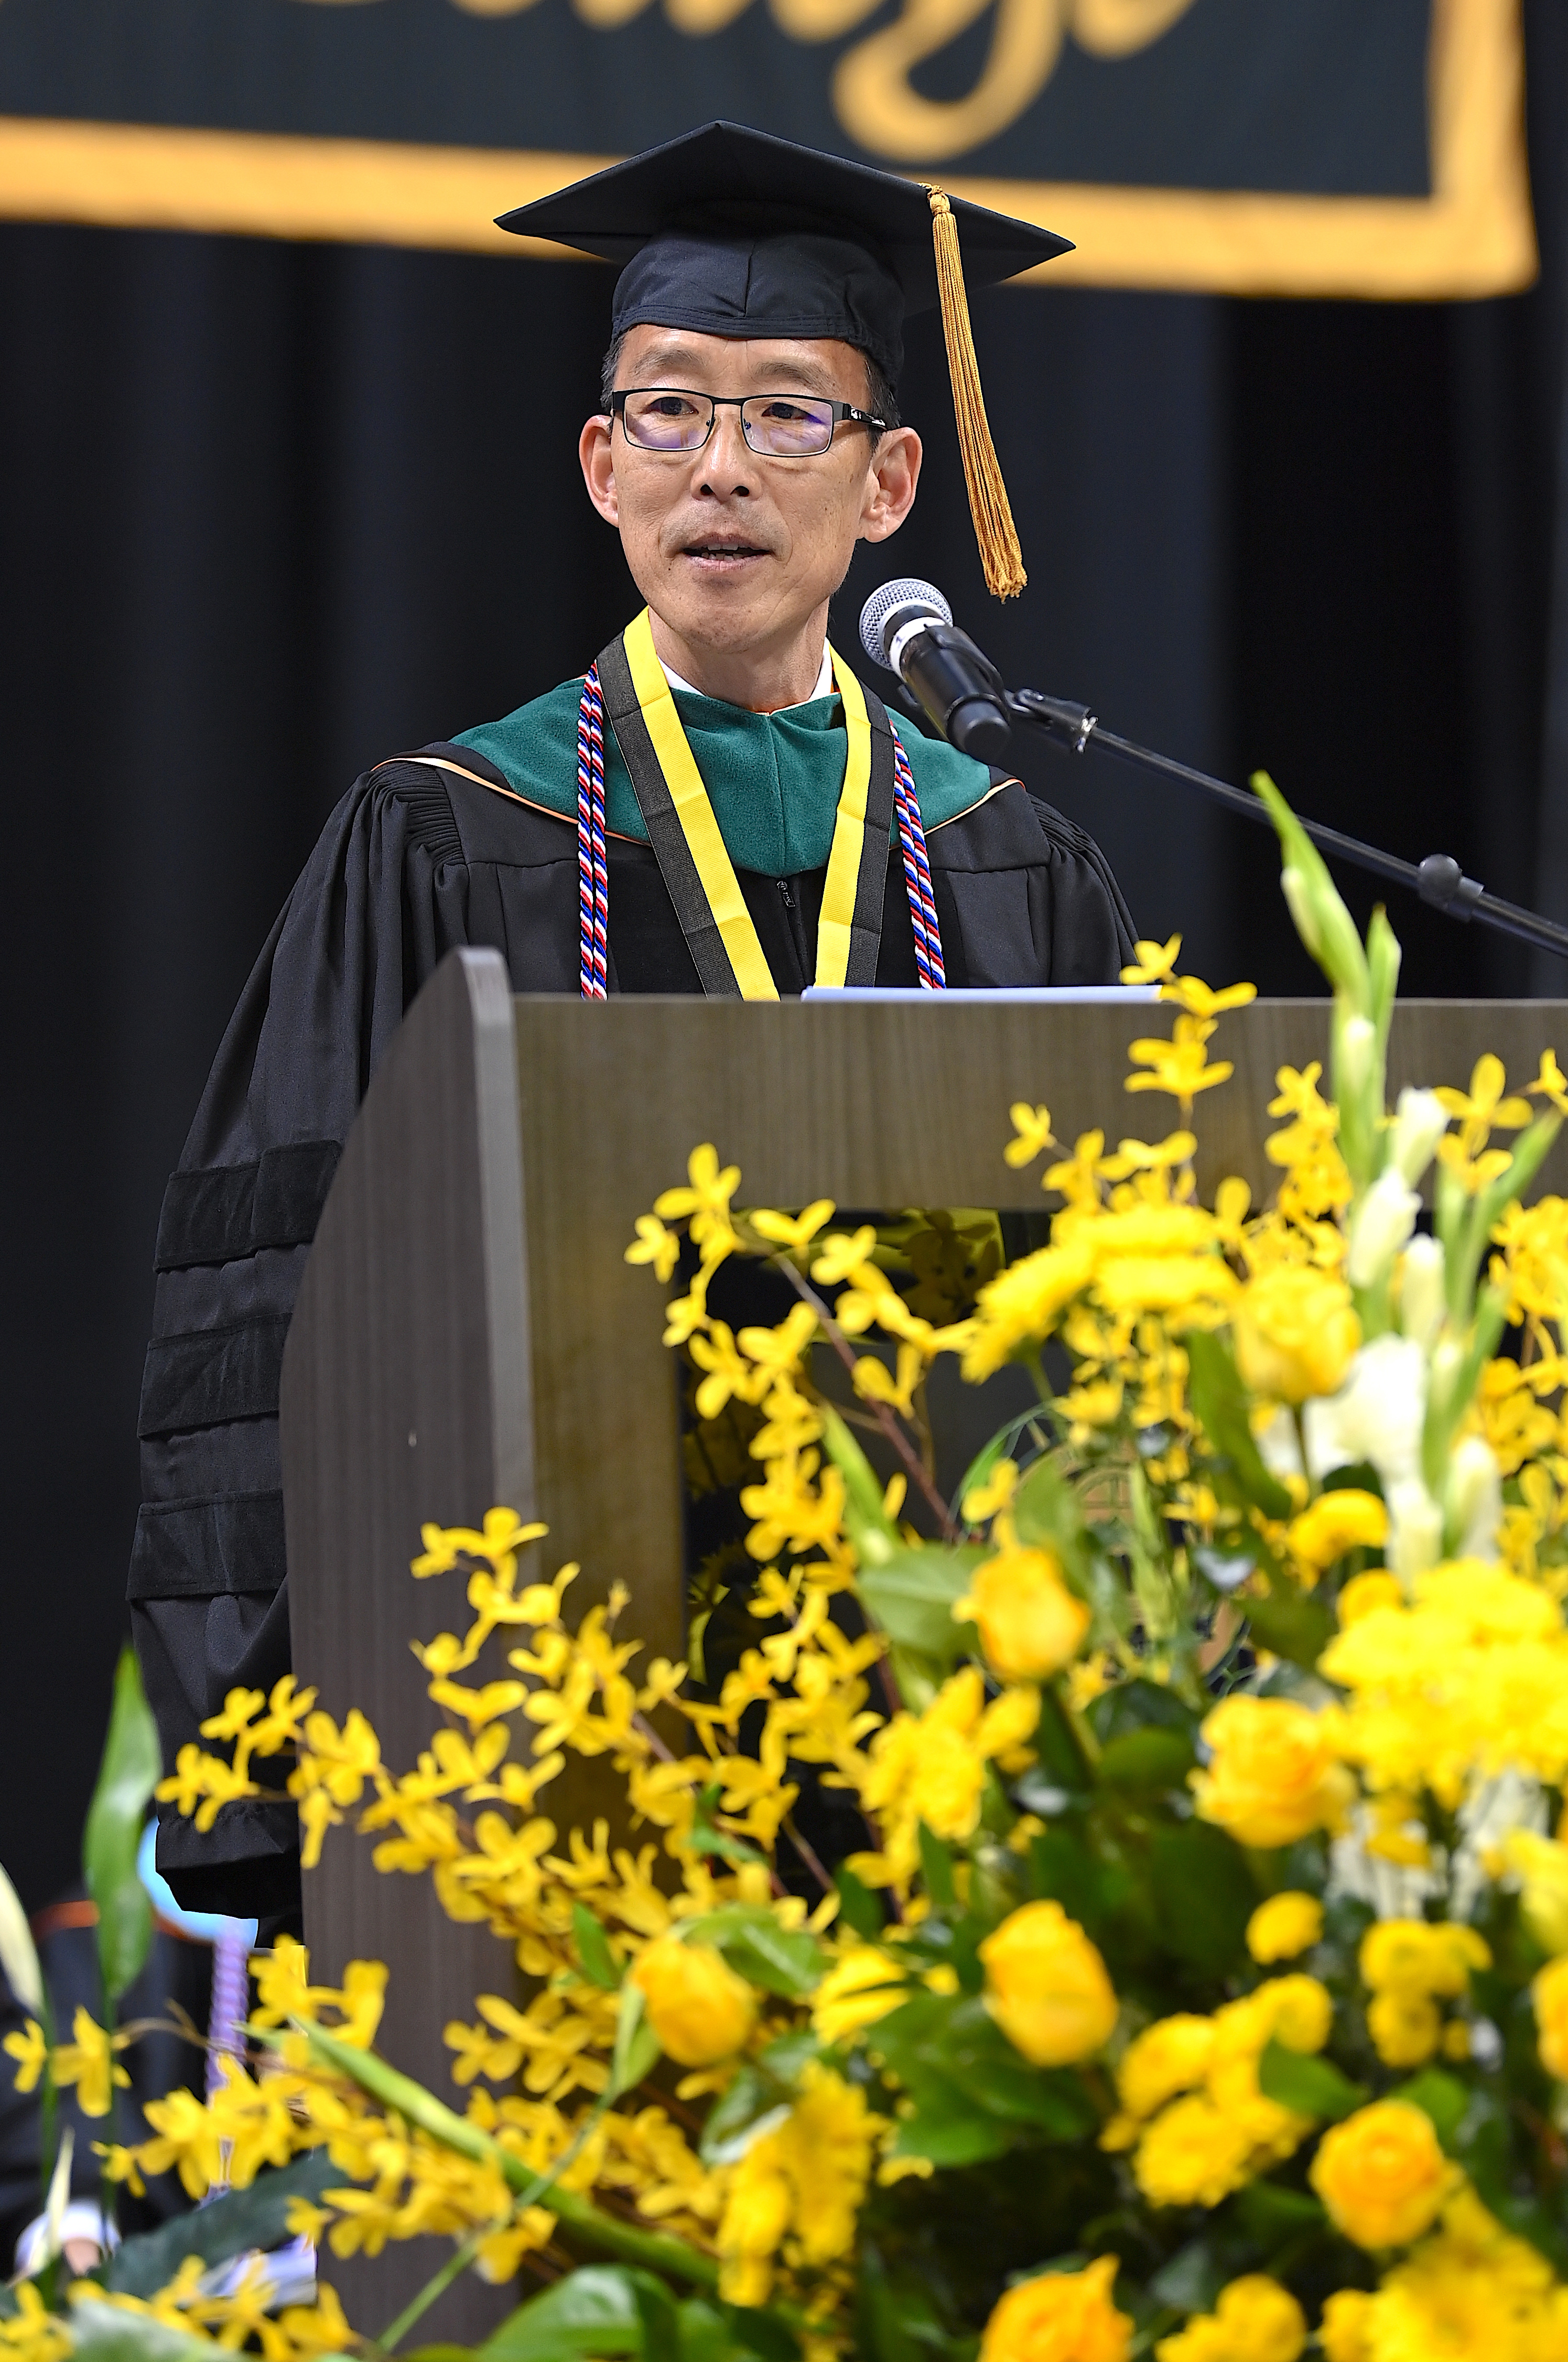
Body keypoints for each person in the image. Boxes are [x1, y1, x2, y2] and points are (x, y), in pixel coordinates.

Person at [129, 121, 1136, 1931]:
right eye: (669, 412)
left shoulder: (1015, 860)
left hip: (945, 1707)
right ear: (601, 467)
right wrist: (280, 1746)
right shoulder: (438, 833)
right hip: (533, 1702)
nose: (720, 469)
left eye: (785, 414)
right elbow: (278, 1297)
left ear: (893, 480)